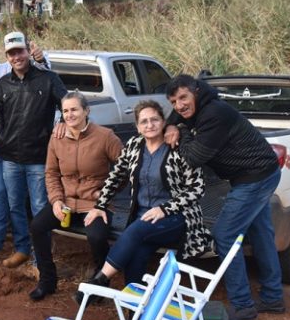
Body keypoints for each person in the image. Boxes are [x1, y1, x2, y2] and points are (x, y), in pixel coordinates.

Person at [164, 74, 284, 320]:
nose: (179, 106)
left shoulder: (214, 114)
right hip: (259, 173)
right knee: (261, 233)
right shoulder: (201, 104)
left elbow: (194, 158)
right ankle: (273, 297)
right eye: (173, 102)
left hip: (254, 178)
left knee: (225, 235)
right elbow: (177, 115)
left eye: (183, 98)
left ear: (196, 91)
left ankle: (242, 305)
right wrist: (172, 124)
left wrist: (181, 132)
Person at [77, 100, 211, 303]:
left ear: (164, 122)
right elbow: (116, 176)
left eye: (154, 120)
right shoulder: (134, 145)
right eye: (144, 121)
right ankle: (134, 313)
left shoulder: (178, 146)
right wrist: (100, 205)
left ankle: (100, 280)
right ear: (138, 127)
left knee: (136, 231)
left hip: (176, 217)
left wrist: (165, 209)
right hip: (143, 219)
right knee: (135, 256)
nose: (150, 125)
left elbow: (197, 188)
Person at [28, 92, 123, 300]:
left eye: (74, 109)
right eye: (65, 111)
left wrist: (105, 195)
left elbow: (124, 170)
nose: (69, 114)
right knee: (37, 226)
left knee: (97, 237)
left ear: (86, 110)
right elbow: (51, 173)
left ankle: (99, 284)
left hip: (96, 204)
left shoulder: (105, 136)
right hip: (67, 202)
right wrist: (56, 200)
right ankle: (47, 280)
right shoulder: (57, 138)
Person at [0, 31, 67, 268]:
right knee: (15, 206)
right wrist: (1, 138)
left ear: (28, 51)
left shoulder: (48, 78)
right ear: (7, 56)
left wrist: (63, 122)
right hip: (10, 158)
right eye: (11, 53)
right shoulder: (3, 83)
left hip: (38, 157)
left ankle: (41, 258)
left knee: (39, 208)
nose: (16, 57)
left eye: (20, 51)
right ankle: (22, 249)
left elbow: (67, 103)